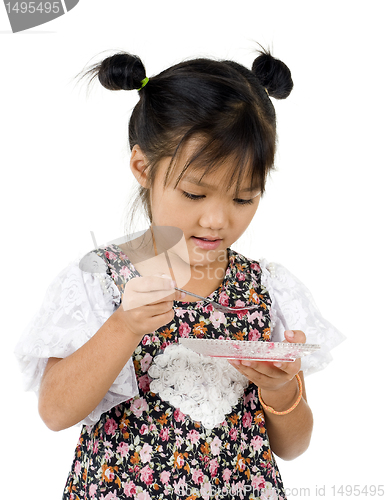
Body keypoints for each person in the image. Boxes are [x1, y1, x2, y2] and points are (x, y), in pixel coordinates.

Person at [15, 47, 345, 500]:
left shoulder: (267, 288)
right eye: (194, 194)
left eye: (243, 199)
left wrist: (283, 390)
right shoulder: (103, 278)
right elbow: (54, 412)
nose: (216, 219)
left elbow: (293, 446)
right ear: (143, 167)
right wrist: (123, 325)